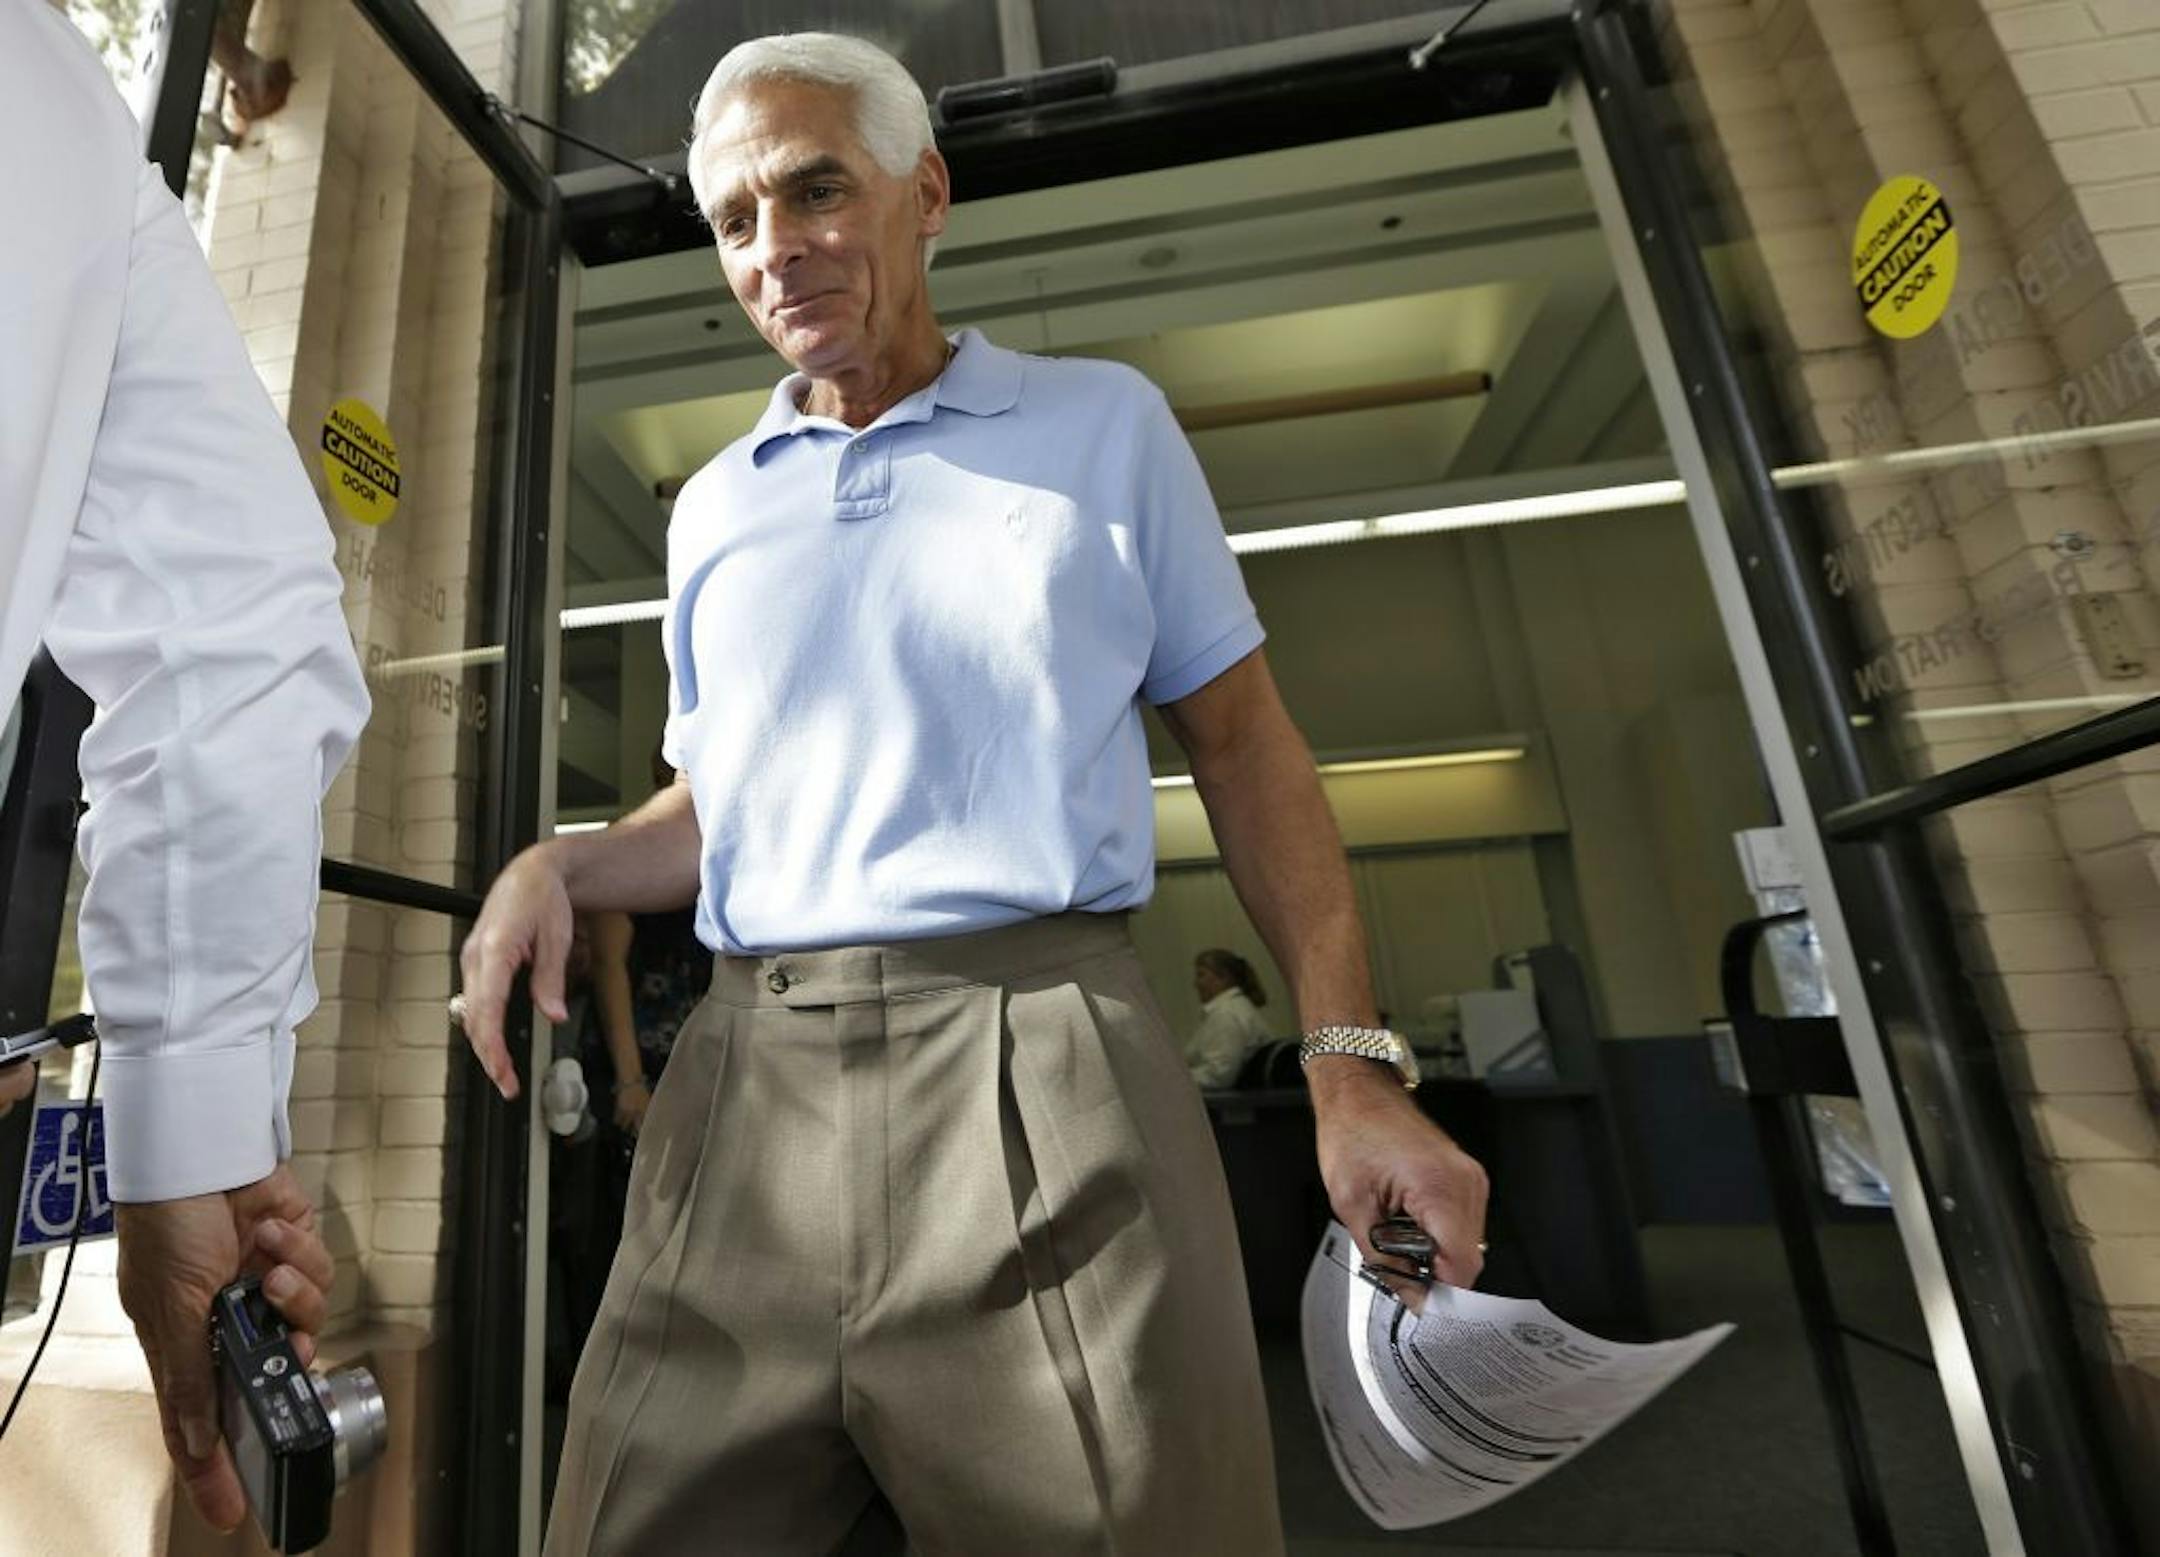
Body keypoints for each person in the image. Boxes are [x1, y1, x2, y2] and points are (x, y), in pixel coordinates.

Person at [456, 31, 1488, 1554]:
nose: (774, 252)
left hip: (1043, 1072)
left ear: (924, 192)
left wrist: (1348, 1066)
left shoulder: (1103, 427)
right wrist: (560, 863)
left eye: (816, 192)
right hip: (743, 1093)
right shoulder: (717, 510)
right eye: (734, 222)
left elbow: (1248, 749)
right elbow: (712, 815)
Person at [0, 3, 368, 1534]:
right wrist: (192, 1125)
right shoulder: (44, 86)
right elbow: (225, 623)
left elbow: (226, 625)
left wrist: (191, 1129)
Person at [1186, 947, 1274, 1089]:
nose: (1195, 983)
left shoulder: (1227, 1015)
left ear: (1224, 977)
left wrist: (1174, 1079)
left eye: (1201, 975)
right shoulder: (1234, 1009)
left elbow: (1219, 1076)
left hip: (1229, 1108)